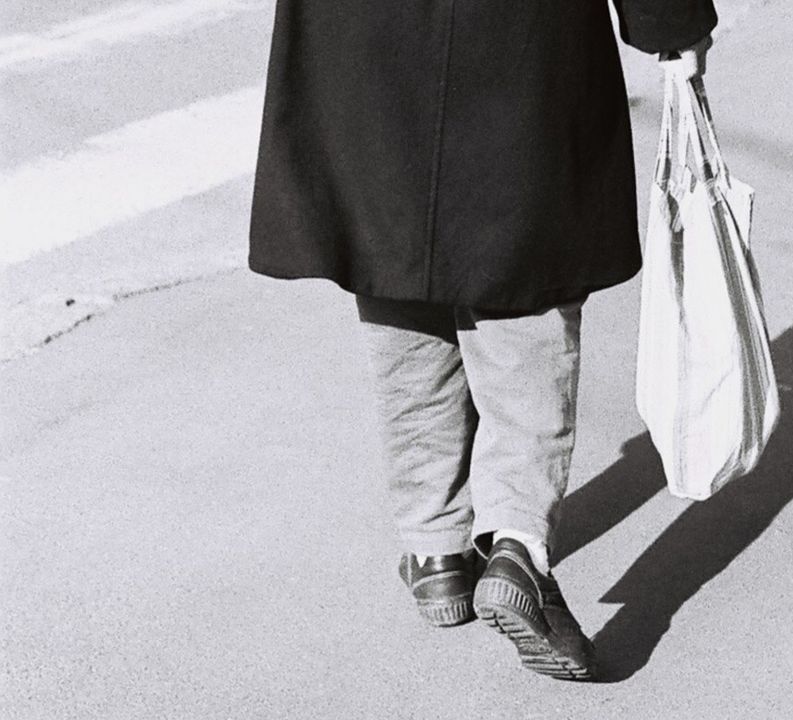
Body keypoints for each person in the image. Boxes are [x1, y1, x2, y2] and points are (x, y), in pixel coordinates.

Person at [246, 1, 718, 681]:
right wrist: (670, 22)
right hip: (520, 33)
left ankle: (435, 549)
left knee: (394, 249)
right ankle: (517, 545)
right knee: (522, 275)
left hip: (361, 30)